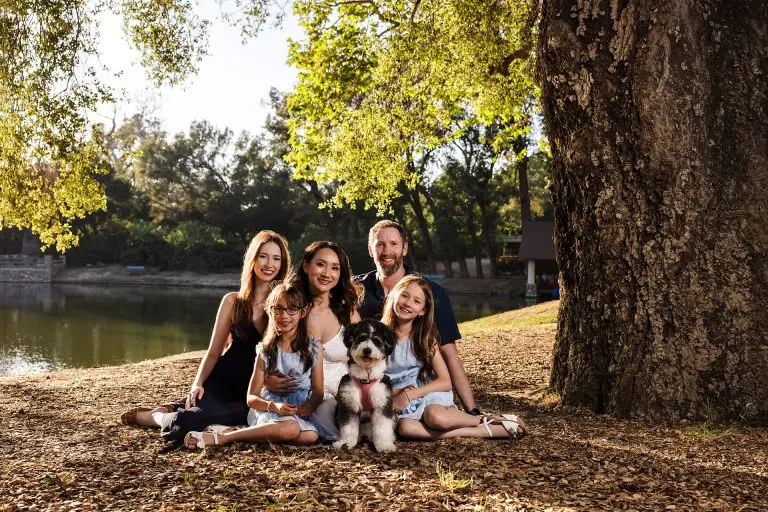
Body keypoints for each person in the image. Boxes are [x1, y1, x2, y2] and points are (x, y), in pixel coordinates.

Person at [119, 230, 291, 444]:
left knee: (241, 422)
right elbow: (213, 352)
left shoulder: (286, 307)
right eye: (263, 256)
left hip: (252, 389)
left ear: (283, 264)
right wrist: (197, 383)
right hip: (222, 382)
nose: (269, 264)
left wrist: (267, 381)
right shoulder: (232, 302)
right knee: (189, 424)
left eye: (276, 258)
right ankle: (155, 416)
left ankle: (175, 409)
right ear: (253, 259)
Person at [355, 220, 481, 414]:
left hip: (415, 389)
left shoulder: (432, 293)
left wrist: (472, 410)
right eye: (380, 244)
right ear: (371, 250)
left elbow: (450, 354)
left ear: (405, 248)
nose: (387, 251)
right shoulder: (355, 290)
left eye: (394, 244)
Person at [382, 275, 526, 440]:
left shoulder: (425, 339)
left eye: (416, 301)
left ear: (422, 310)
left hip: (426, 396)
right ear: (393, 295)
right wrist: (397, 394)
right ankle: (481, 431)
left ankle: (480, 419)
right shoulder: (378, 336)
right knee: (406, 429)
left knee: (435, 417)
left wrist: (409, 395)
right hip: (397, 402)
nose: (407, 303)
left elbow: (445, 381)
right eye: (404, 295)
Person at [184, 282, 324, 448]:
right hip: (268, 410)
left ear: (303, 312)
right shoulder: (265, 350)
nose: (284, 315)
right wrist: (274, 406)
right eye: (278, 309)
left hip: (297, 410)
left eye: (292, 309)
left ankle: (240, 431)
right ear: (270, 311)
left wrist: (309, 406)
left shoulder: (313, 348)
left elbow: (318, 391)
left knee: (311, 436)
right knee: (291, 428)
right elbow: (251, 398)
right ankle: (223, 437)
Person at [279, 241, 362, 441]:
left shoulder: (346, 312)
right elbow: (273, 351)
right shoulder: (290, 311)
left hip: (345, 387)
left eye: (335, 268)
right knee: (328, 415)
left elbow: (363, 356)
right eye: (321, 264)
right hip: (305, 390)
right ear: (306, 266)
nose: (327, 273)